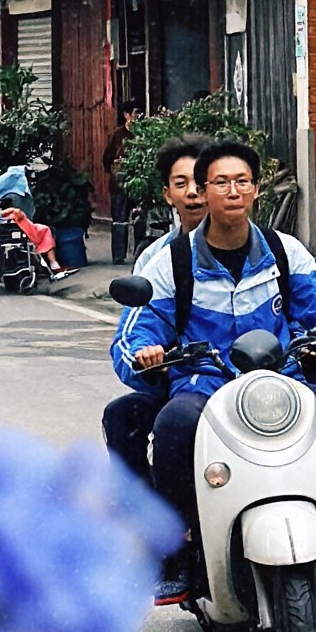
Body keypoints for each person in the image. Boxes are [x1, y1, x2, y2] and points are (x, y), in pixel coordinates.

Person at [114, 137, 316, 602]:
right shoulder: (170, 262)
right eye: (221, 182)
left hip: (280, 382)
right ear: (204, 190)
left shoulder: (285, 251)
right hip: (205, 384)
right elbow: (135, 333)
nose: (232, 190)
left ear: (256, 190)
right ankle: (177, 547)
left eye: (242, 181)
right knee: (174, 424)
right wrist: (146, 354)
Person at [103, 134, 210, 513]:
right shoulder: (157, 259)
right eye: (182, 184)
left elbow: (301, 309)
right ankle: (156, 521)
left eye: (201, 183)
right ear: (168, 195)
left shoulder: (271, 247)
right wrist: (149, 360)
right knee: (123, 416)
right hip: (184, 381)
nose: (194, 193)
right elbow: (134, 332)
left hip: (254, 383)